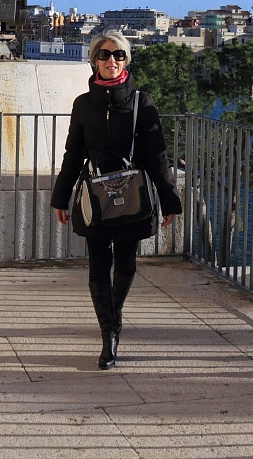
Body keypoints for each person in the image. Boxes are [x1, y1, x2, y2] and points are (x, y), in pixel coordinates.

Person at [51, 30, 182, 370]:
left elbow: (158, 156)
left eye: (119, 55)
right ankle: (109, 333)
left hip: (132, 198)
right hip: (95, 199)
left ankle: (114, 311)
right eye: (105, 54)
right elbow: (72, 155)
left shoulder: (142, 102)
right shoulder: (83, 104)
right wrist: (60, 198)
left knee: (125, 264)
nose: (112, 60)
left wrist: (170, 201)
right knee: (98, 264)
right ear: (94, 60)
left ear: (127, 60)